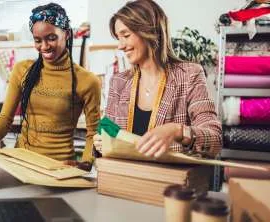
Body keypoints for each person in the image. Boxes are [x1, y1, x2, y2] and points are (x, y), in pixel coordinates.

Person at [0, 3, 101, 170]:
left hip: (60, 170)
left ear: (67, 34)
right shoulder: (22, 71)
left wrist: (86, 163)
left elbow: (93, 133)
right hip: (21, 165)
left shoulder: (87, 80)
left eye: (51, 38)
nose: (44, 46)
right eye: (37, 40)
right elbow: (5, 120)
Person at [93, 0, 222, 158]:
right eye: (118, 38)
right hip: (125, 179)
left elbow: (215, 139)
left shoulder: (189, 75)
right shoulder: (119, 82)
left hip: (170, 180)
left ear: (149, 31)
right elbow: (108, 138)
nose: (120, 46)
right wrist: (101, 143)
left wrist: (177, 131)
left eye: (126, 35)